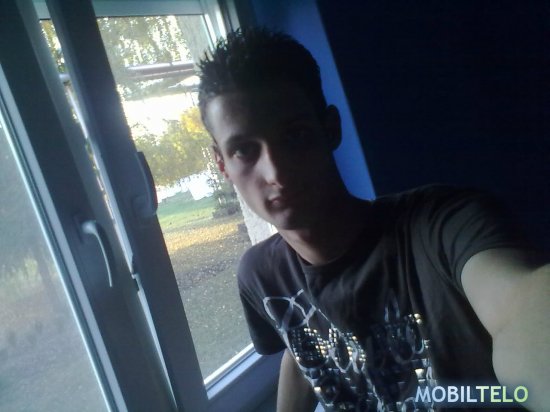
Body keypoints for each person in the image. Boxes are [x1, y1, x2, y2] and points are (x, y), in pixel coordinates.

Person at [197, 27, 549, 411]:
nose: (276, 173)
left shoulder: (443, 227)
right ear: (222, 164)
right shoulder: (261, 276)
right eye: (244, 151)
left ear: (330, 129)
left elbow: (522, 304)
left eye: (295, 136)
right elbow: (300, 349)